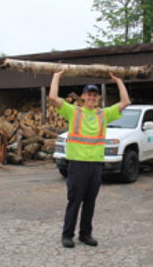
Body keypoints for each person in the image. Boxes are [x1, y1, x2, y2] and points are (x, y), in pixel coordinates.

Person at [49, 68, 130, 248]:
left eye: (95, 95)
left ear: (98, 98)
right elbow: (53, 97)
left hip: (95, 165)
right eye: (89, 94)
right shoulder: (74, 112)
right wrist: (56, 76)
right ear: (83, 97)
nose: (92, 97)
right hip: (78, 164)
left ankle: (85, 234)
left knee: (90, 202)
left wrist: (118, 80)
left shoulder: (103, 114)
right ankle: (67, 235)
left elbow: (125, 101)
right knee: (75, 200)